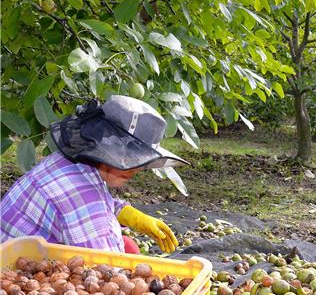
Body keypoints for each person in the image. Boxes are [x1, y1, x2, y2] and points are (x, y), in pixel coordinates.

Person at [1, 95, 189, 253]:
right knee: (127, 254)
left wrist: (128, 213)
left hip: (19, 246)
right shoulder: (80, 195)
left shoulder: (74, 164)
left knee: (128, 246)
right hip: (17, 273)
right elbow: (106, 269)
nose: (136, 169)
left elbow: (97, 202)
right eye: (130, 159)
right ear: (104, 148)